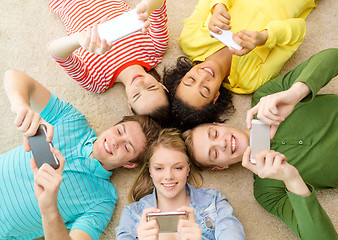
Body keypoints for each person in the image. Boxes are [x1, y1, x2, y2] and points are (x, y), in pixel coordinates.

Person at [182, 48, 338, 239]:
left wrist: (295, 93)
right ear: (221, 167)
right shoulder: (267, 193)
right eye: (214, 153)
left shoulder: (266, 97)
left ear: (218, 124)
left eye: (214, 134)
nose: (221, 143)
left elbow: (334, 57)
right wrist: (291, 179)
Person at [0, 69, 161, 240]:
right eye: (119, 131)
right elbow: (14, 76)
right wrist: (21, 106)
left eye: (127, 147)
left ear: (129, 163)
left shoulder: (103, 200)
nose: (115, 142)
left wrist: (49, 207)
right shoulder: (72, 119)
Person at [163, 0, 317, 130]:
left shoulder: (190, 40)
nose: (203, 76)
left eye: (190, 80)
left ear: (182, 76)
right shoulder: (249, 81)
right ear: (216, 97)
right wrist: (265, 37)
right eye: (205, 89)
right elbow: (299, 29)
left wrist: (218, 7)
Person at [48, 0, 169, 122]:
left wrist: (78, 39)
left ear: (130, 105)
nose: (139, 84)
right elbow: (159, 3)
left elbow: (55, 52)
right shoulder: (156, 47)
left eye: (136, 95)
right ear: (162, 86)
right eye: (151, 87)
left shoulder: (95, 82)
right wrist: (146, 7)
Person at [115, 128, 245, 239]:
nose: (169, 176)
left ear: (188, 169)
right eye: (159, 168)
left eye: (178, 168)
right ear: (150, 170)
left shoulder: (214, 202)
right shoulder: (132, 214)